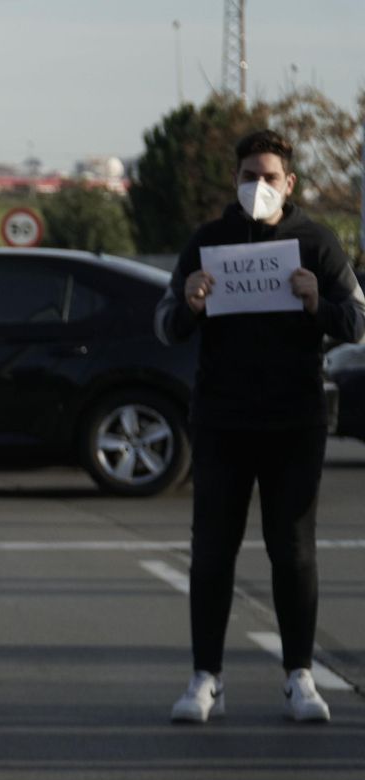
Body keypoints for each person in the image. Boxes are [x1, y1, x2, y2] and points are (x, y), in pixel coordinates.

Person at [156, 129, 365, 724]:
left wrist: (315, 303)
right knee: (212, 552)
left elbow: (357, 321)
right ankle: (206, 678)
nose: (258, 187)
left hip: (295, 421)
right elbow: (165, 323)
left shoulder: (315, 242)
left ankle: (299, 676)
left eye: (269, 177)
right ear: (235, 180)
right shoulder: (209, 240)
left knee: (292, 550)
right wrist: (191, 304)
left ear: (290, 183)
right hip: (221, 419)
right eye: (249, 176)